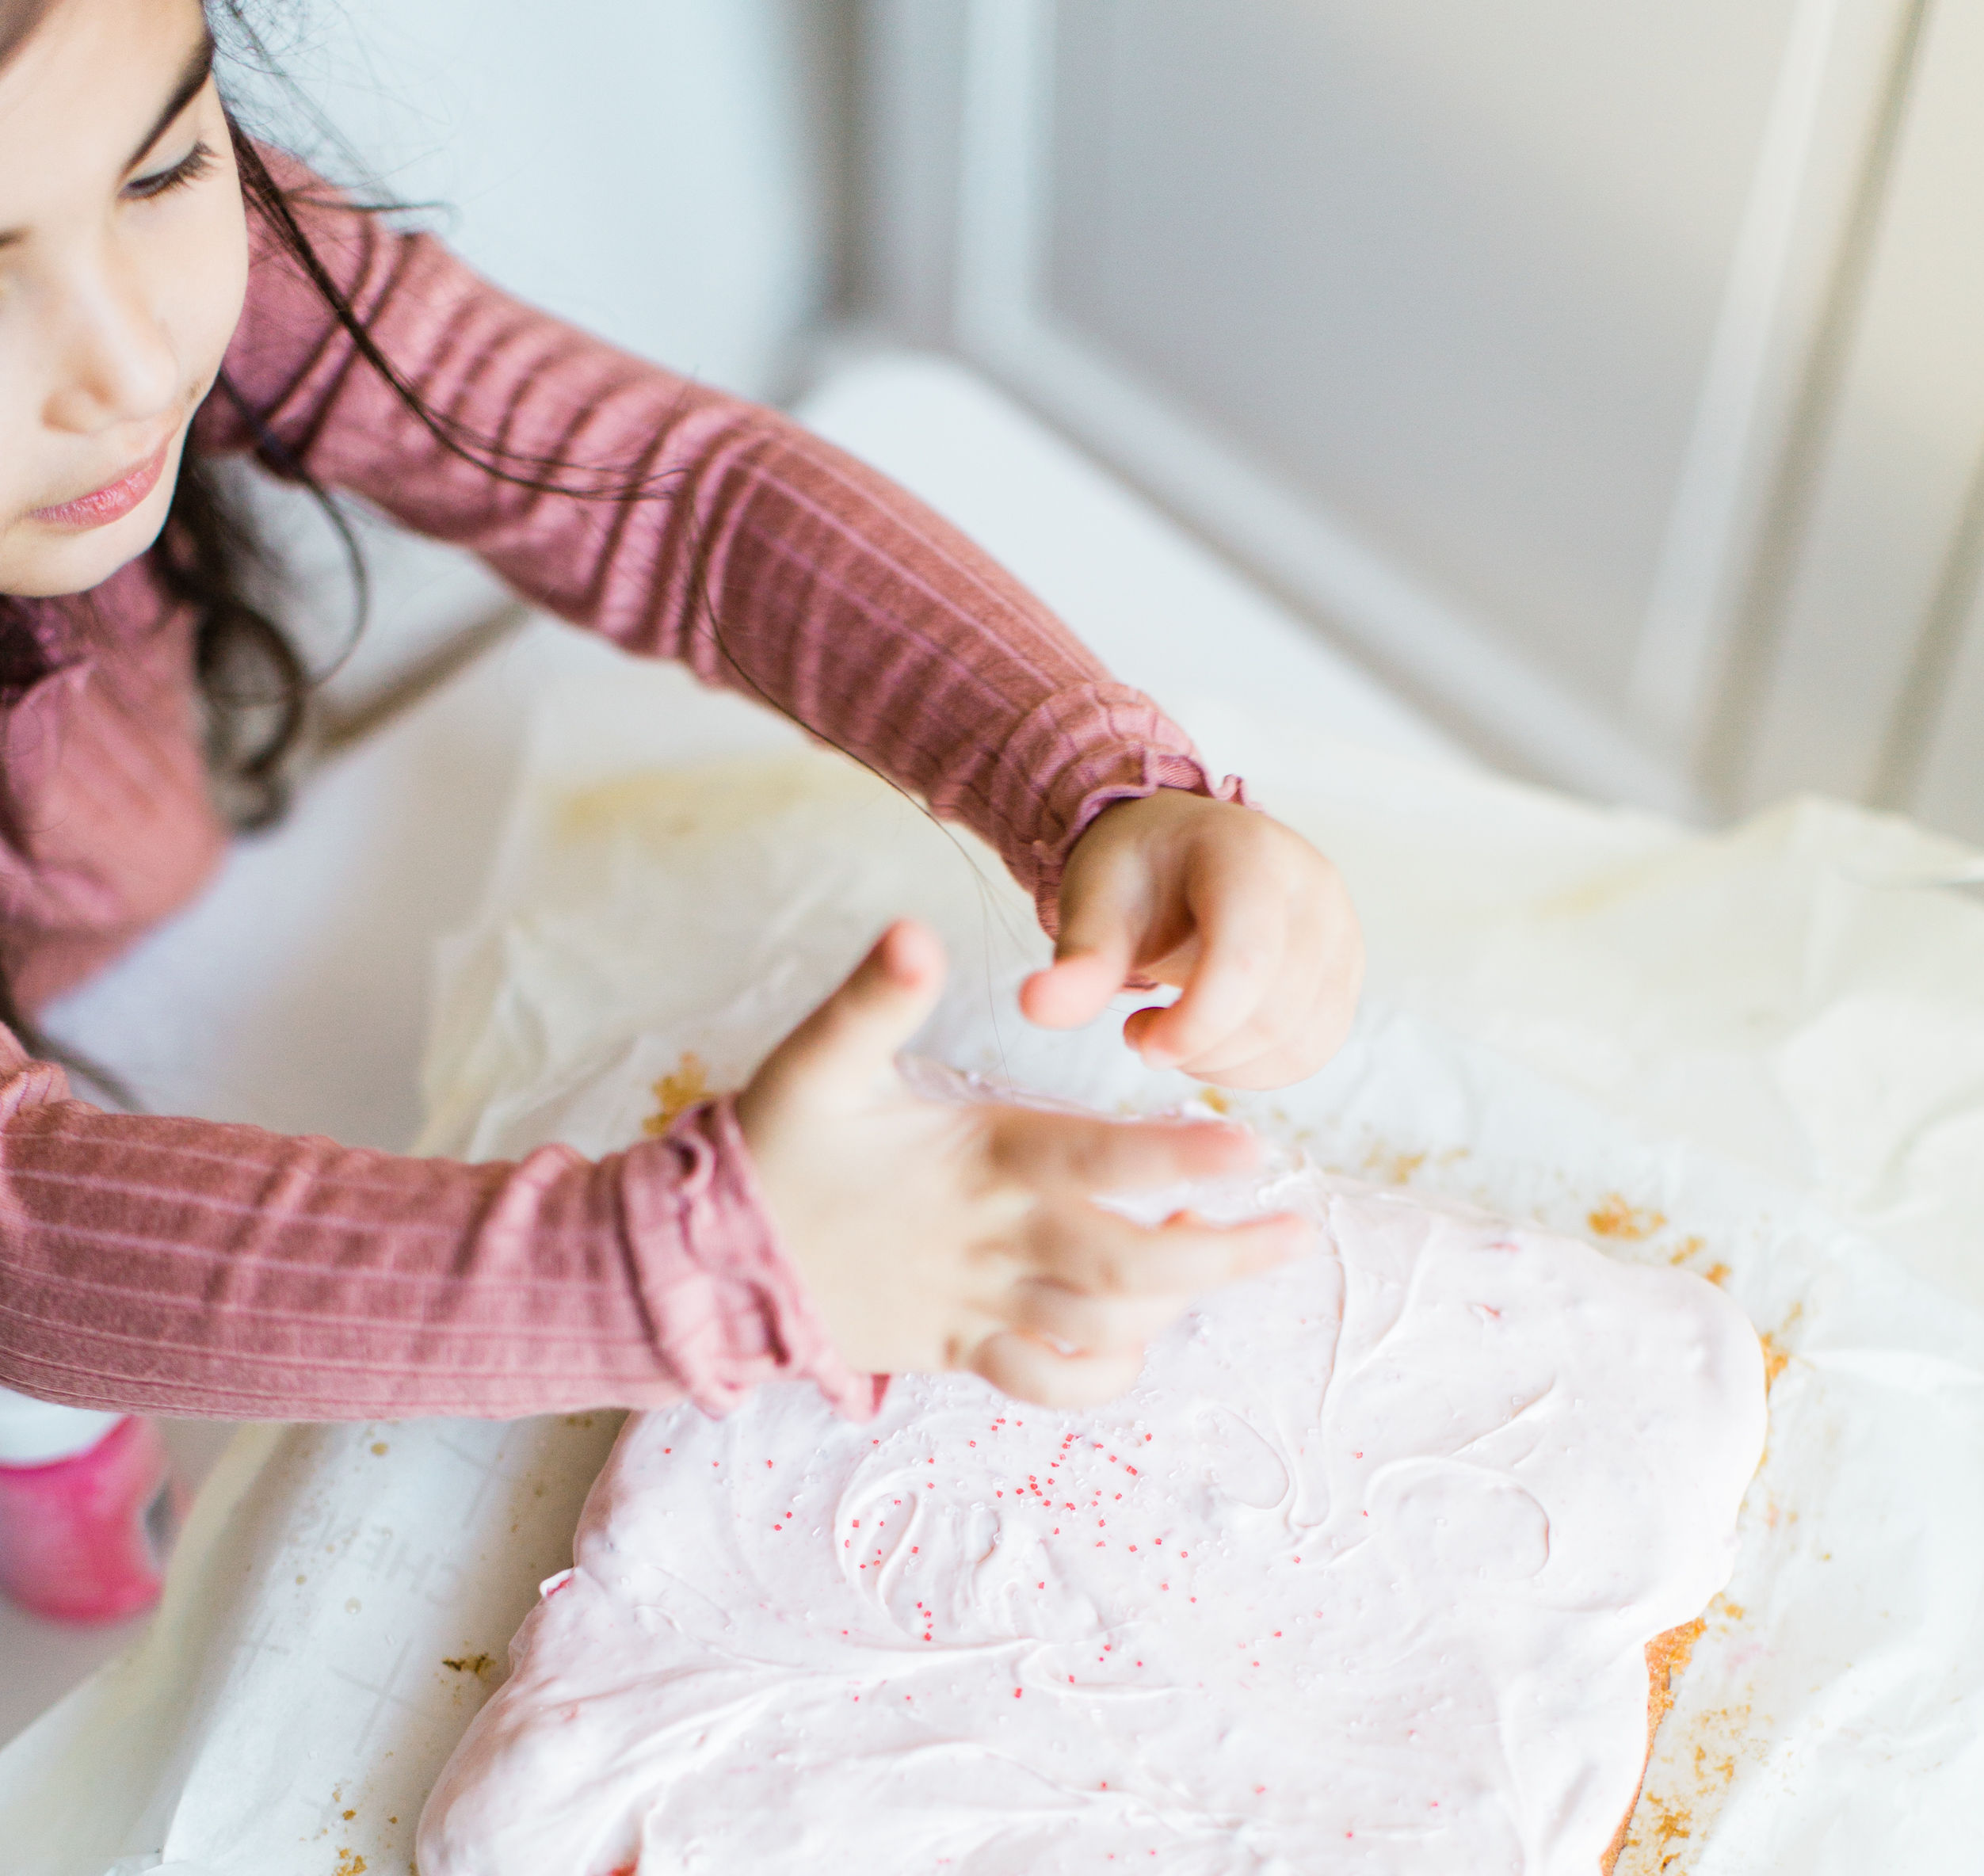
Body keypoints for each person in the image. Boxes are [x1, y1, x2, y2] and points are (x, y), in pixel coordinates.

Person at [0, 0, 1363, 1622]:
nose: (134, 362)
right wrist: (676, 1268)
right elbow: (29, 1241)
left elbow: (679, 496)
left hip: (102, 914)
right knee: (64, 1500)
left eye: (164, 167)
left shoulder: (151, 304)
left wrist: (1087, 777)